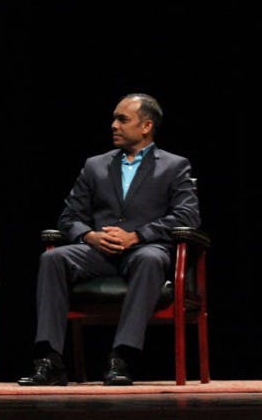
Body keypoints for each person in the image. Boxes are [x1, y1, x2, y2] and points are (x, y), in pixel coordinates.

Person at [18, 93, 200, 387]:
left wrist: (138, 235)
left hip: (143, 250)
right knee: (52, 258)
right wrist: (89, 235)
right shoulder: (95, 166)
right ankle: (49, 360)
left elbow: (187, 217)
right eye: (114, 118)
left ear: (146, 126)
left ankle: (121, 358)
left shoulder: (174, 166)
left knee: (151, 258)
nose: (113, 125)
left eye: (122, 119)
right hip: (98, 253)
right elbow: (69, 217)